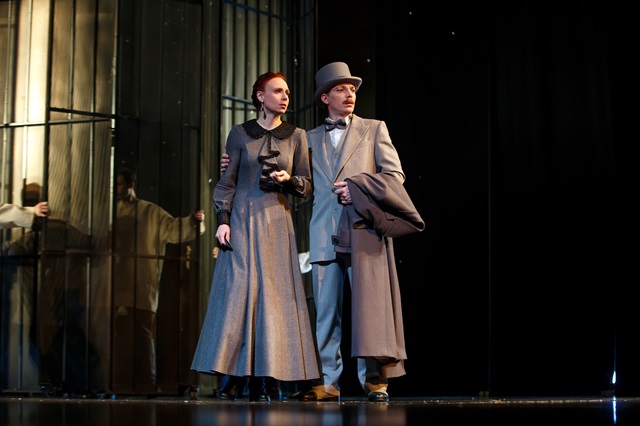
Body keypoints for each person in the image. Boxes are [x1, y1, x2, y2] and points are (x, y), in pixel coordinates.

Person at [220, 62, 423, 402]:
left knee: (369, 311)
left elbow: (395, 177)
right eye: (341, 89)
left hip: (364, 232)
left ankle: (374, 380)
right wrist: (232, 163)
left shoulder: (374, 129)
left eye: (352, 89)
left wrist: (359, 188)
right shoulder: (306, 137)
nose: (350, 94)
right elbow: (294, 176)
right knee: (326, 315)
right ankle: (328, 382)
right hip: (323, 234)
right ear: (325, 97)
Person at [190, 71, 319, 402]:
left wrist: (289, 180)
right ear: (260, 96)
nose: (285, 96)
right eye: (277, 91)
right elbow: (227, 182)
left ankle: (269, 376)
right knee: (239, 295)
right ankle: (236, 374)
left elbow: (306, 185)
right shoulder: (239, 133)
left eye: (287, 92)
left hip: (276, 221)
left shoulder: (296, 136)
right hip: (242, 220)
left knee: (273, 300)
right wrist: (222, 220)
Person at [111, 167, 205, 393]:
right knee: (121, 338)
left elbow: (174, 229)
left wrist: (193, 221)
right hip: (116, 286)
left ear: (130, 185)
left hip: (140, 285)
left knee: (142, 337)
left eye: (119, 184)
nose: (116, 189)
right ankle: (122, 383)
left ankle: (145, 384)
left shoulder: (149, 213)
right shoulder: (109, 211)